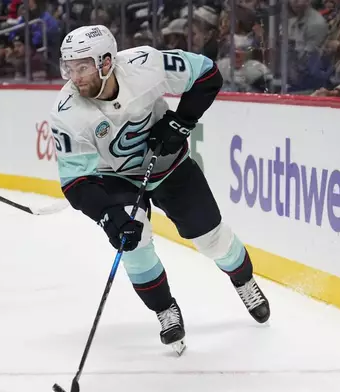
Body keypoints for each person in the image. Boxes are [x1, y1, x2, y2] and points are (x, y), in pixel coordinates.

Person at [49, 25, 270, 353]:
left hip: (170, 165)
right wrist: (109, 216)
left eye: (82, 67)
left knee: (212, 239)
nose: (74, 77)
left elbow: (207, 74)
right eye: (69, 67)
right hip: (116, 176)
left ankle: (244, 280)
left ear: (106, 62)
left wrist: (182, 122)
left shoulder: (145, 64)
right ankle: (165, 310)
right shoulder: (65, 113)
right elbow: (76, 182)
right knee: (134, 245)